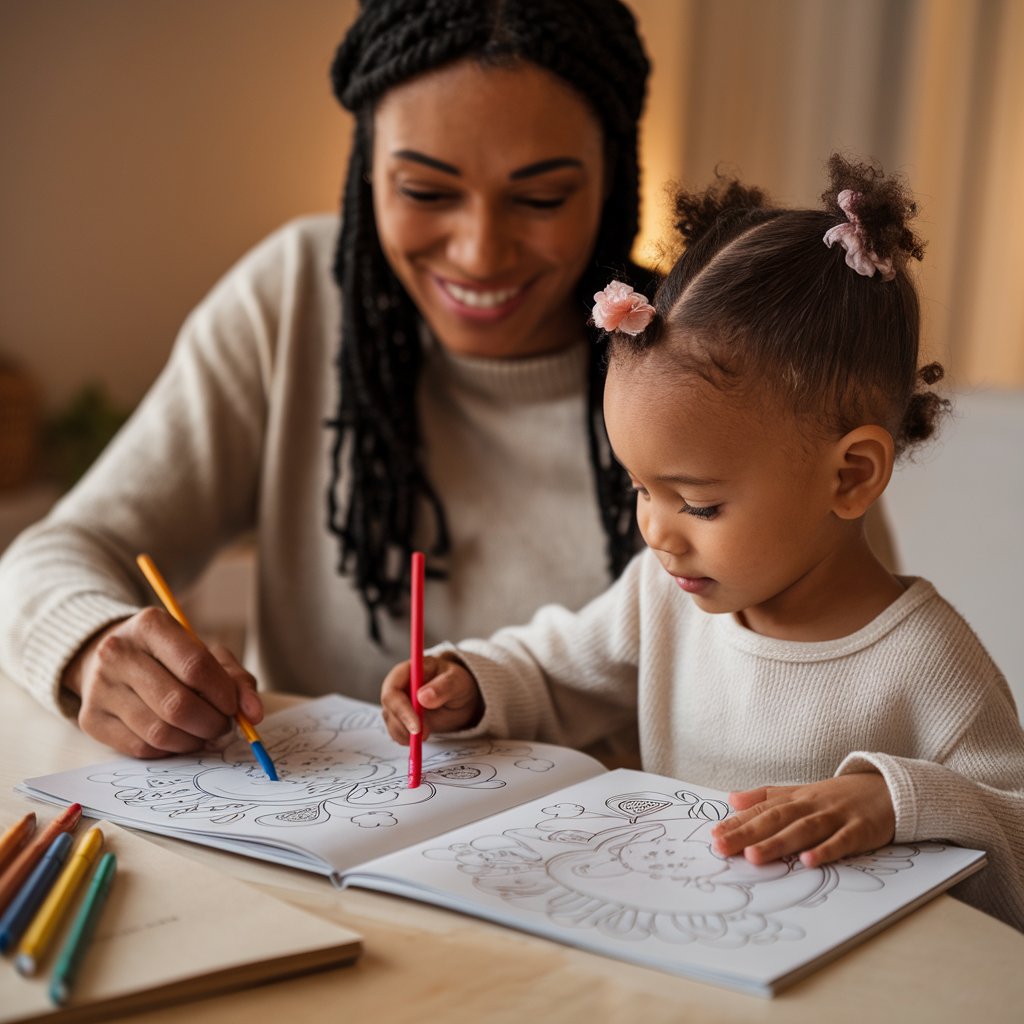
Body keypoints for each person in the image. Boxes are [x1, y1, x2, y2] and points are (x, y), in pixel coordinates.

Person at [379, 154, 1024, 931]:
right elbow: (553, 673)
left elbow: (1014, 828)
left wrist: (896, 800)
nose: (655, 530)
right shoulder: (664, 599)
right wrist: (469, 685)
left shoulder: (926, 660)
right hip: (681, 947)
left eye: (699, 504)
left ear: (851, 475)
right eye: (640, 490)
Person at [0, 0, 652, 758]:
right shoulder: (298, 298)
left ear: (613, 174)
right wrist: (93, 643)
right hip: (297, 867)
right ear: (366, 168)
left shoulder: (687, 351)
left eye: (541, 199)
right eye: (425, 192)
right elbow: (55, 552)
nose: (479, 253)